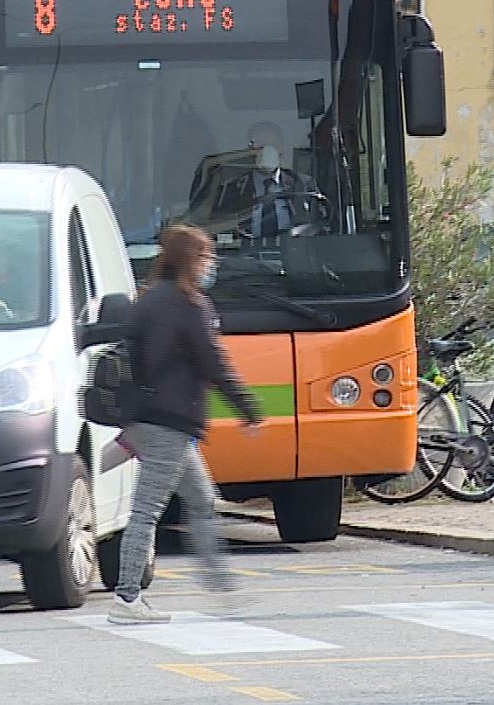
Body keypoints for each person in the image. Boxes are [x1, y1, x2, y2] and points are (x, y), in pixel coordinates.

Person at [108, 224, 263, 624]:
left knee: (201, 499)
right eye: (207, 257)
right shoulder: (190, 306)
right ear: (192, 261)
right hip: (169, 422)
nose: (211, 265)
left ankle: (223, 592)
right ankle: (127, 599)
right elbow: (214, 363)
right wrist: (248, 409)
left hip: (146, 416)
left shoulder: (146, 300)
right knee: (146, 511)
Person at [218, 121, 319, 239]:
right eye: (260, 144)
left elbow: (319, 227)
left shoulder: (303, 185)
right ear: (250, 150)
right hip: (246, 254)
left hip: (294, 252)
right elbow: (221, 232)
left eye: (273, 144)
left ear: (281, 148)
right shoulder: (232, 189)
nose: (267, 150)